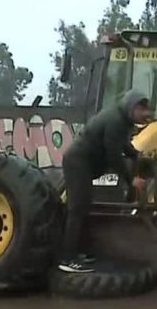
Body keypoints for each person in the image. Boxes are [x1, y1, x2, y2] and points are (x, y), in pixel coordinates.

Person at [58, 90, 151, 273]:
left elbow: (122, 145)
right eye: (141, 109)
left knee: (83, 206)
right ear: (131, 107)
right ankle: (67, 258)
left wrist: (136, 154)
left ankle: (79, 252)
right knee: (77, 208)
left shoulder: (121, 120)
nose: (145, 114)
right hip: (78, 162)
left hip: (83, 163)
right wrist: (130, 179)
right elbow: (113, 155)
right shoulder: (116, 121)